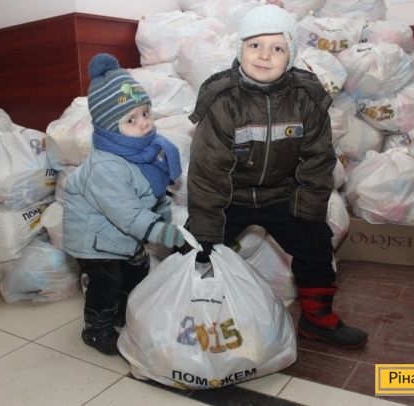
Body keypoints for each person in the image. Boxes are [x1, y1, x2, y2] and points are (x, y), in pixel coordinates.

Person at [187, 5, 367, 349]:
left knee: (316, 243)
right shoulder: (222, 99)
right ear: (239, 49)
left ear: (291, 55)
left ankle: (317, 320)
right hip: (231, 195)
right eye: (255, 45)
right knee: (197, 248)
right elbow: (207, 169)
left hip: (283, 193)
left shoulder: (307, 97)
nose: (265, 55)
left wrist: (308, 210)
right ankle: (191, 315)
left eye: (278, 48)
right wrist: (206, 226)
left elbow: (317, 160)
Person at [63, 53, 185, 355]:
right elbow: (127, 213)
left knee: (137, 270)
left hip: (119, 235)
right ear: (109, 128)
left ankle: (120, 312)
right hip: (93, 240)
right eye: (131, 119)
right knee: (107, 280)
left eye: (145, 113)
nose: (144, 123)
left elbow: (152, 193)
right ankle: (96, 328)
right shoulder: (105, 167)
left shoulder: (143, 152)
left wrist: (164, 217)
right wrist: (161, 232)